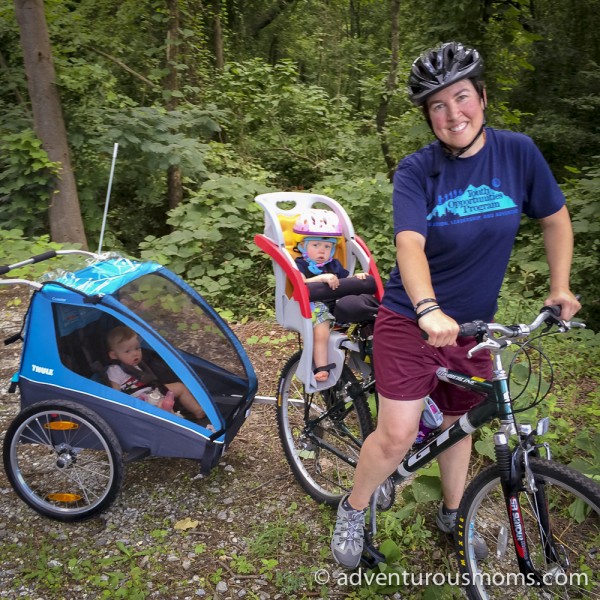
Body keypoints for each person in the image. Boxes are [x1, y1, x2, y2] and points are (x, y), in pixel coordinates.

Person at [330, 41, 581, 569]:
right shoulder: (417, 170)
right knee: (398, 433)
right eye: (437, 106)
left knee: (458, 422)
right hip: (410, 319)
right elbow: (409, 245)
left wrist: (559, 287)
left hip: (475, 326)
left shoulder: (518, 153)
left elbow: (555, 218)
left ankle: (453, 512)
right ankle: (354, 507)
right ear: (427, 116)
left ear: (483, 97)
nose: (452, 114)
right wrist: (426, 309)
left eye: (461, 97)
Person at [292, 209, 369, 381]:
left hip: (335, 304)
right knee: (322, 329)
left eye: (327, 247)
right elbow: (300, 281)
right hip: (313, 306)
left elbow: (345, 282)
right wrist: (321, 278)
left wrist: (357, 278)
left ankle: (366, 356)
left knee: (360, 308)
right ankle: (321, 367)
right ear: (303, 246)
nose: (322, 251)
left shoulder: (334, 265)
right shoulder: (300, 264)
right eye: (316, 245)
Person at [106, 325, 208, 423]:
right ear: (114, 355)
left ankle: (198, 411)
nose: (135, 353)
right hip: (139, 401)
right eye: (127, 351)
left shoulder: (138, 364)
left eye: (137, 348)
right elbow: (116, 394)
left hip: (153, 391)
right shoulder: (115, 370)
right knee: (162, 406)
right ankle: (180, 424)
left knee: (179, 387)